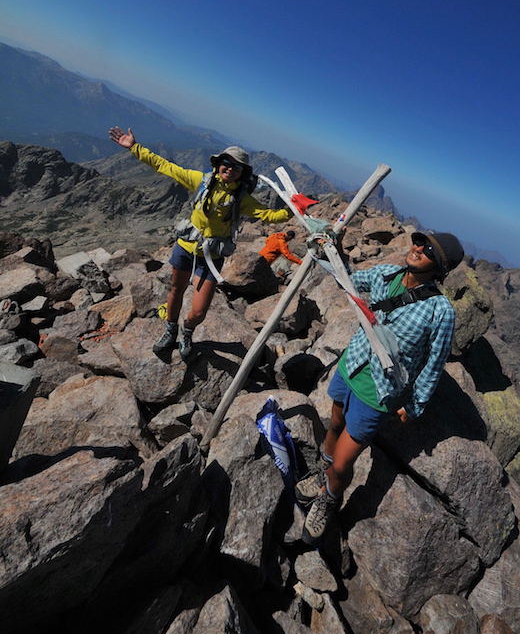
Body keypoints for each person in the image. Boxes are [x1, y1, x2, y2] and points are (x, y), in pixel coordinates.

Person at [295, 230, 464, 545]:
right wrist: (334, 250)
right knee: (334, 423)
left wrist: (415, 405)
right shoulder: (386, 274)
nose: (418, 248)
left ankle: (330, 497)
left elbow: (435, 362)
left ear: (439, 267)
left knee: (343, 463)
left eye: (429, 250)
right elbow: (348, 280)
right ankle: (321, 472)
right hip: (352, 364)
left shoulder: (441, 311)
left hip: (379, 391)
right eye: (419, 242)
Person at [108, 126, 294, 358]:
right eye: (226, 162)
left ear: (242, 173)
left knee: (199, 311)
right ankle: (170, 329)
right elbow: (165, 166)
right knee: (176, 290)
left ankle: (187, 330)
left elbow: (269, 215)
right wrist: (135, 148)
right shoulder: (201, 181)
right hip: (186, 246)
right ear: (219, 163)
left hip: (211, 256)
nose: (230, 168)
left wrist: (292, 209)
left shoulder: (242, 199)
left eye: (236, 167)